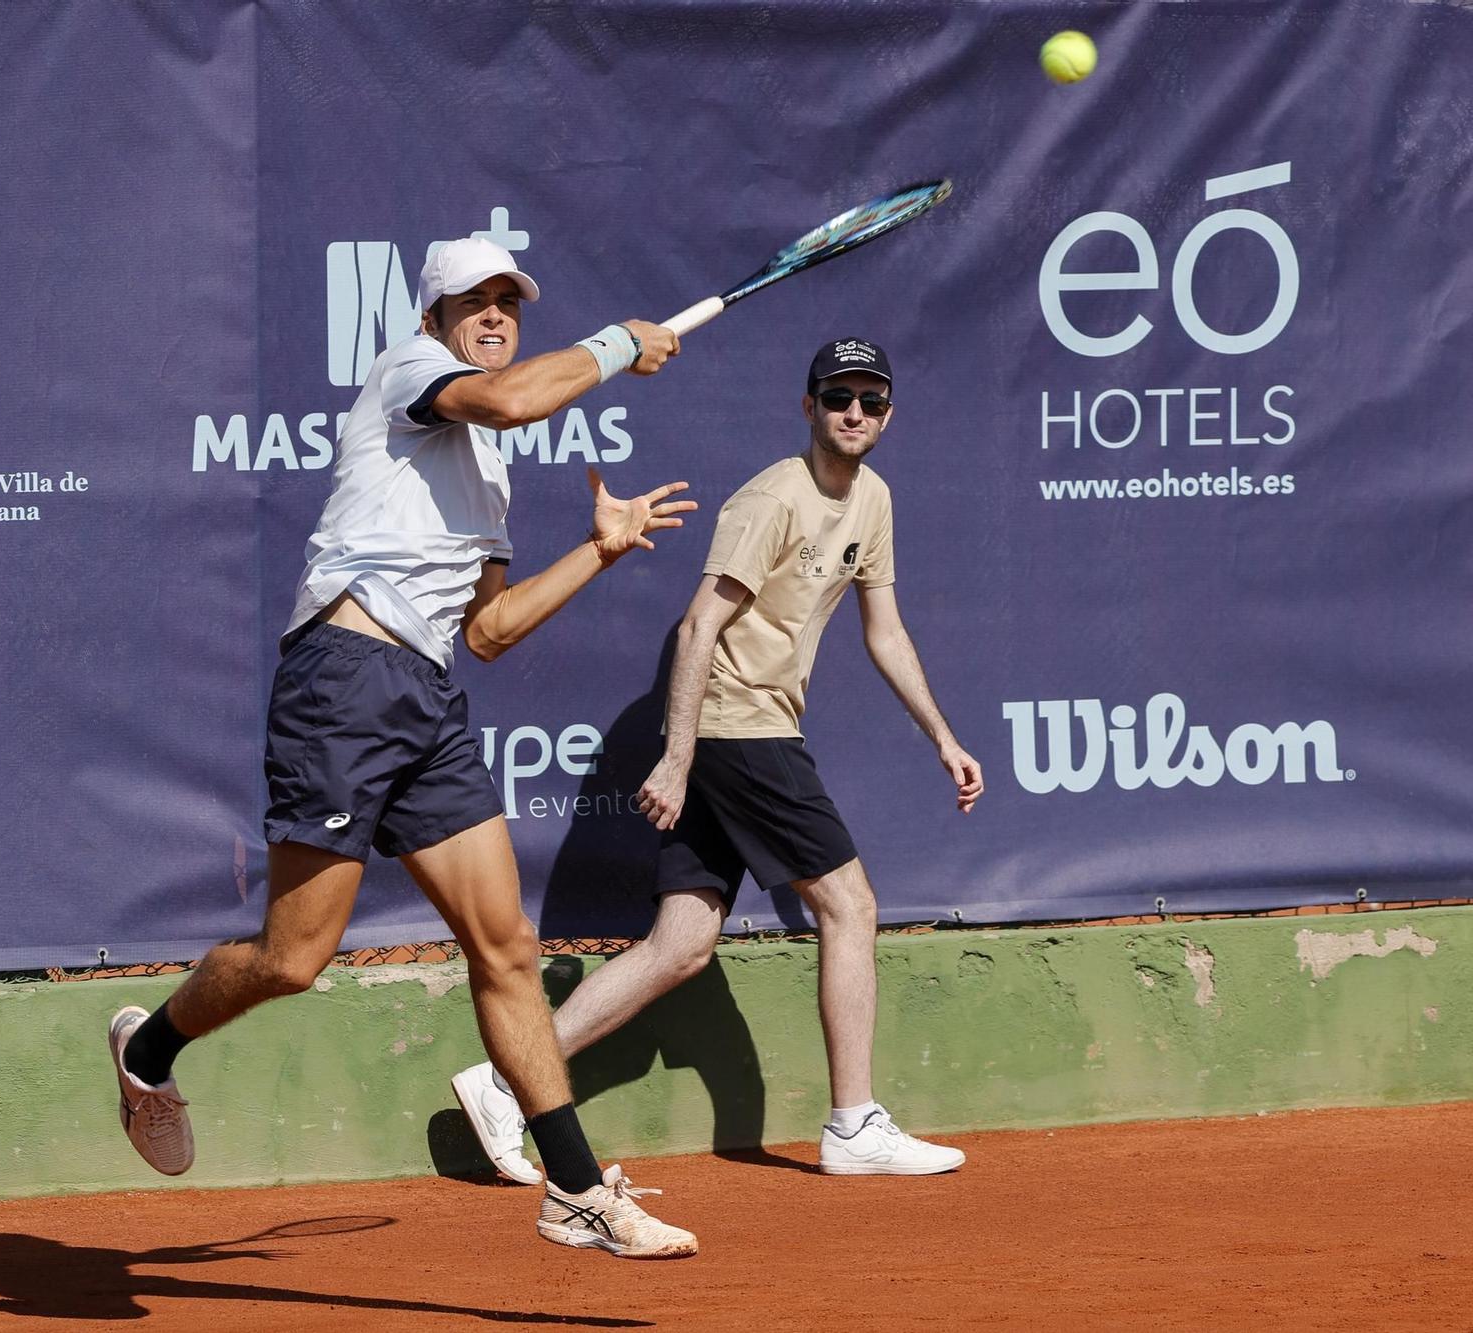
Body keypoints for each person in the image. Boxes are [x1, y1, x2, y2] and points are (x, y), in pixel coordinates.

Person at [108, 237, 703, 1259]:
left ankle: (570, 1190)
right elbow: (512, 395)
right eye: (472, 302)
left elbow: (490, 629)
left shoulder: (489, 465)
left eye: (506, 302)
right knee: (294, 959)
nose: (492, 315)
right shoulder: (413, 372)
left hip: (425, 695)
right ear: (433, 316)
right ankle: (148, 1047)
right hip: (342, 674)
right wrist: (614, 345)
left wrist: (597, 554)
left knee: (505, 944)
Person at [451, 336, 983, 1182]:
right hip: (739, 726)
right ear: (807, 406)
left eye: (871, 401)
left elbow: (884, 629)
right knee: (850, 904)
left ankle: (508, 1080)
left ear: (887, 413)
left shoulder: (874, 499)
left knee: (682, 944)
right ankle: (853, 1123)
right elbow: (700, 626)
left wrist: (943, 737)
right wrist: (677, 756)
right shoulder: (771, 499)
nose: (854, 413)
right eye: (838, 397)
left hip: (747, 729)